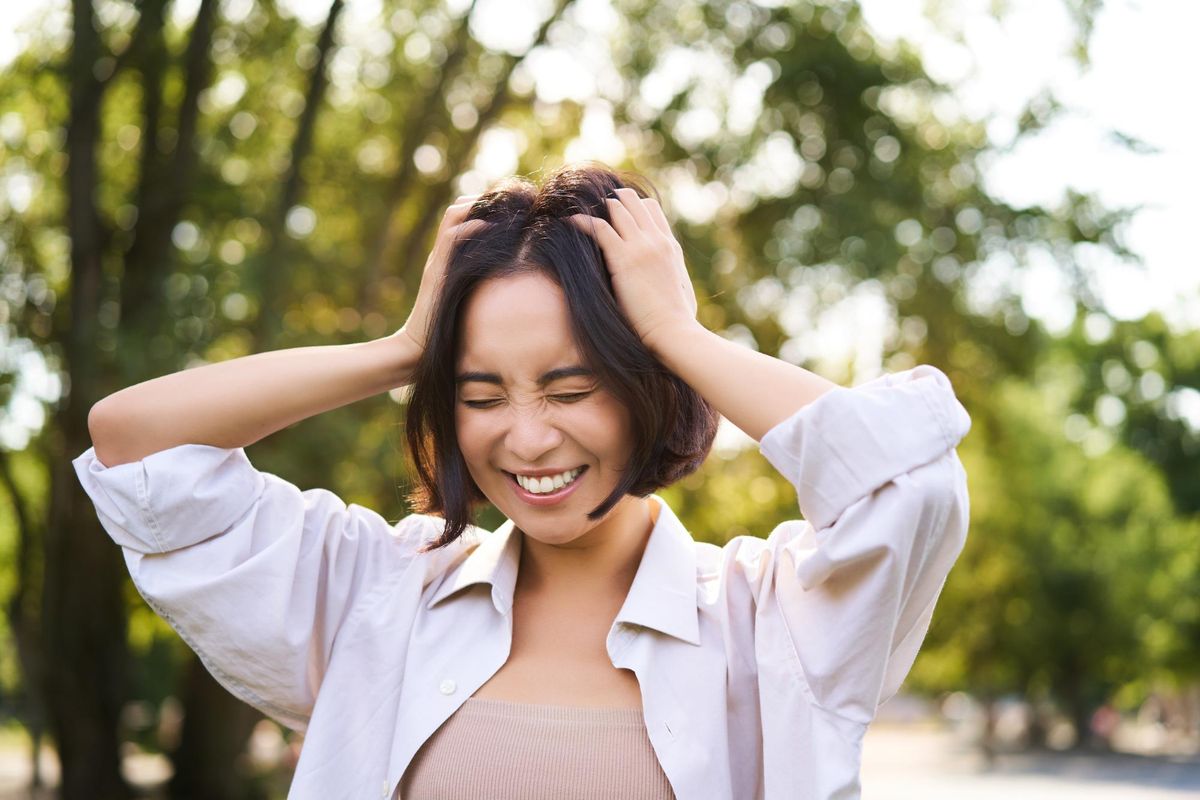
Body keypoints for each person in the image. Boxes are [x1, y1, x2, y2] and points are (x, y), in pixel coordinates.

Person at [73, 162, 972, 799]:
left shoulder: (769, 622)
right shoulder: (381, 597)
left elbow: (908, 484)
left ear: (644, 389)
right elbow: (136, 450)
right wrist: (403, 349)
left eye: (571, 387)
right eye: (480, 395)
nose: (528, 438)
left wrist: (678, 336)